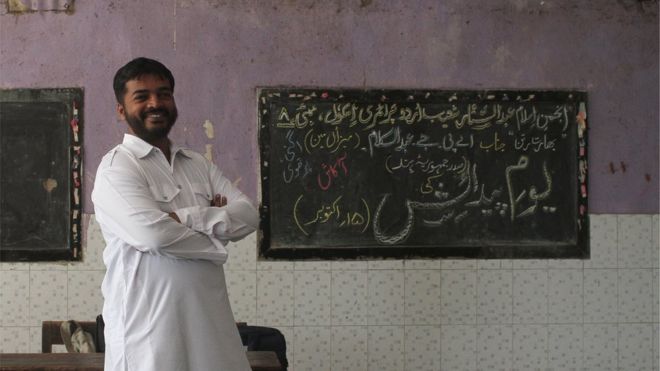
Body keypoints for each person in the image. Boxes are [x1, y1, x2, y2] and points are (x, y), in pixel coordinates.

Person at [92, 57, 258, 371]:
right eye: (141, 96)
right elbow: (152, 235)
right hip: (149, 334)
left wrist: (185, 218)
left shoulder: (196, 163)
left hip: (212, 325)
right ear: (121, 110)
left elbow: (248, 216)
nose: (155, 103)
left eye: (164, 93)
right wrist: (216, 236)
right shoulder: (118, 167)